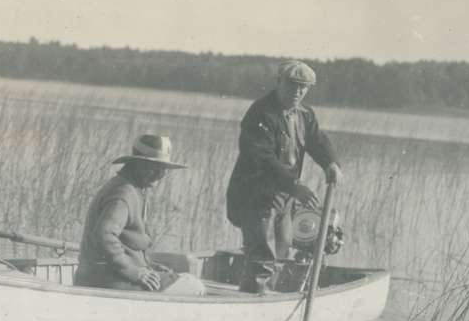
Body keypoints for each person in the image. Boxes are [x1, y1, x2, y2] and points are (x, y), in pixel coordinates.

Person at [225, 60, 344, 293]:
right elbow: (262, 158)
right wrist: (295, 185)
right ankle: (252, 303)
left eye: (304, 87)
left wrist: (331, 163)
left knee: (282, 251)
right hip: (256, 197)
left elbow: (317, 140)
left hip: (284, 199)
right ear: (278, 82)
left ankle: (266, 298)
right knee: (261, 258)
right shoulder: (260, 112)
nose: (298, 91)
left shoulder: (305, 115)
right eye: (292, 84)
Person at [74, 134, 202, 294]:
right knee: (195, 287)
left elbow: (126, 244)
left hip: (102, 277)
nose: (161, 175)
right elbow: (104, 236)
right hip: (109, 281)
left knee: (182, 277)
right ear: (136, 164)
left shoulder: (128, 187)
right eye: (155, 167)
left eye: (163, 169)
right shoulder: (123, 194)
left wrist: (150, 266)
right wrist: (137, 273)